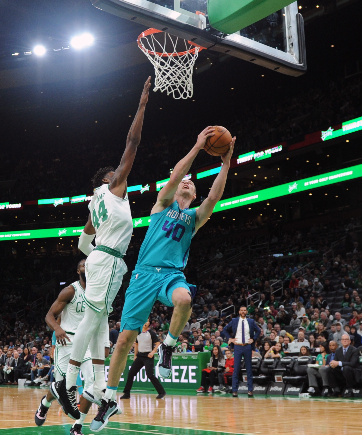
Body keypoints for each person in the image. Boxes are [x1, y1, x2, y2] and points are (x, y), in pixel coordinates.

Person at [94, 127, 235, 431]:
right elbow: (176, 176)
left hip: (172, 275)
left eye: (191, 183)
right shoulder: (163, 203)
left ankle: (168, 346)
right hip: (144, 275)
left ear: (194, 194)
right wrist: (198, 147)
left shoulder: (194, 217)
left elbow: (215, 195)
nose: (186, 181)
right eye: (183, 180)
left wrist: (226, 162)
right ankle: (110, 398)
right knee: (123, 342)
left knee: (184, 299)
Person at [54, 78, 151, 434]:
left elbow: (83, 243)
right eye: (117, 175)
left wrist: (90, 258)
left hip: (99, 259)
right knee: (96, 322)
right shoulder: (112, 189)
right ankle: (67, 381)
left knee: (98, 321)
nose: (123, 177)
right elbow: (133, 142)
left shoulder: (95, 202)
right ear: (111, 179)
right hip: (109, 260)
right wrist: (141, 105)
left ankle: (94, 388)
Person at [37, 259, 104, 427]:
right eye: (83, 265)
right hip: (67, 340)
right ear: (78, 271)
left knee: (91, 380)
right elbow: (49, 316)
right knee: (63, 388)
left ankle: (78, 424)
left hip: (86, 341)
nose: (86, 267)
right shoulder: (70, 291)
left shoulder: (98, 292)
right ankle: (45, 404)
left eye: (89, 265)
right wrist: (57, 329)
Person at [221, 306, 261, 397]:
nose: (243, 312)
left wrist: (253, 339)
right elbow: (225, 329)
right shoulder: (234, 321)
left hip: (247, 346)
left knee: (249, 369)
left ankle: (250, 390)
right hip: (237, 347)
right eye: (241, 310)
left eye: (244, 310)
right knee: (236, 369)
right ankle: (234, 390)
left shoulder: (250, 321)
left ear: (246, 311)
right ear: (239, 311)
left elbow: (258, 330)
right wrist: (230, 338)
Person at [120, 320, 166, 399]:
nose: (145, 322)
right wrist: (135, 355)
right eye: (144, 321)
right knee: (131, 373)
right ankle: (127, 393)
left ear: (149, 323)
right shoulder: (138, 332)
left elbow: (158, 343)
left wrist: (152, 352)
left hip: (148, 356)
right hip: (140, 356)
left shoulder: (151, 333)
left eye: (147, 321)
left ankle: (162, 392)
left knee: (150, 375)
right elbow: (137, 344)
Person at [328, 333, 360, 397]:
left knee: (346, 368)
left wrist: (338, 363)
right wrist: (332, 364)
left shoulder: (355, 350)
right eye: (343, 339)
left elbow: (352, 363)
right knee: (330, 369)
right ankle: (336, 389)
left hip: (352, 372)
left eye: (346, 339)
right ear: (341, 341)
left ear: (349, 341)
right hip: (341, 372)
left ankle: (350, 390)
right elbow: (335, 361)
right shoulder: (338, 350)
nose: (345, 341)